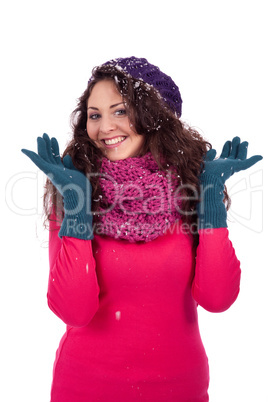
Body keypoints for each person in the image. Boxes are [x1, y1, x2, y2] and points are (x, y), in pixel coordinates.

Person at [22, 57, 262, 402]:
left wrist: (209, 199)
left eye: (120, 111)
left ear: (153, 116)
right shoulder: (74, 190)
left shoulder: (190, 191)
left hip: (180, 388)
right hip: (86, 388)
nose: (105, 127)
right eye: (95, 115)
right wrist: (77, 205)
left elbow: (217, 298)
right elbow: (73, 311)